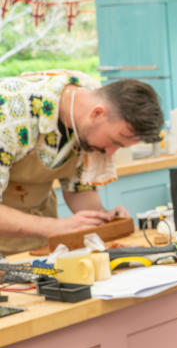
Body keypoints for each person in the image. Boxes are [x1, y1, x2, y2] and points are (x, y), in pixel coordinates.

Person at [0, 71, 164, 256]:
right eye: (114, 141)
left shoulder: (87, 112)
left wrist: (104, 218)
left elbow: (78, 189)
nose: (110, 152)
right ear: (97, 114)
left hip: (36, 239)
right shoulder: (8, 114)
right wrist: (56, 226)